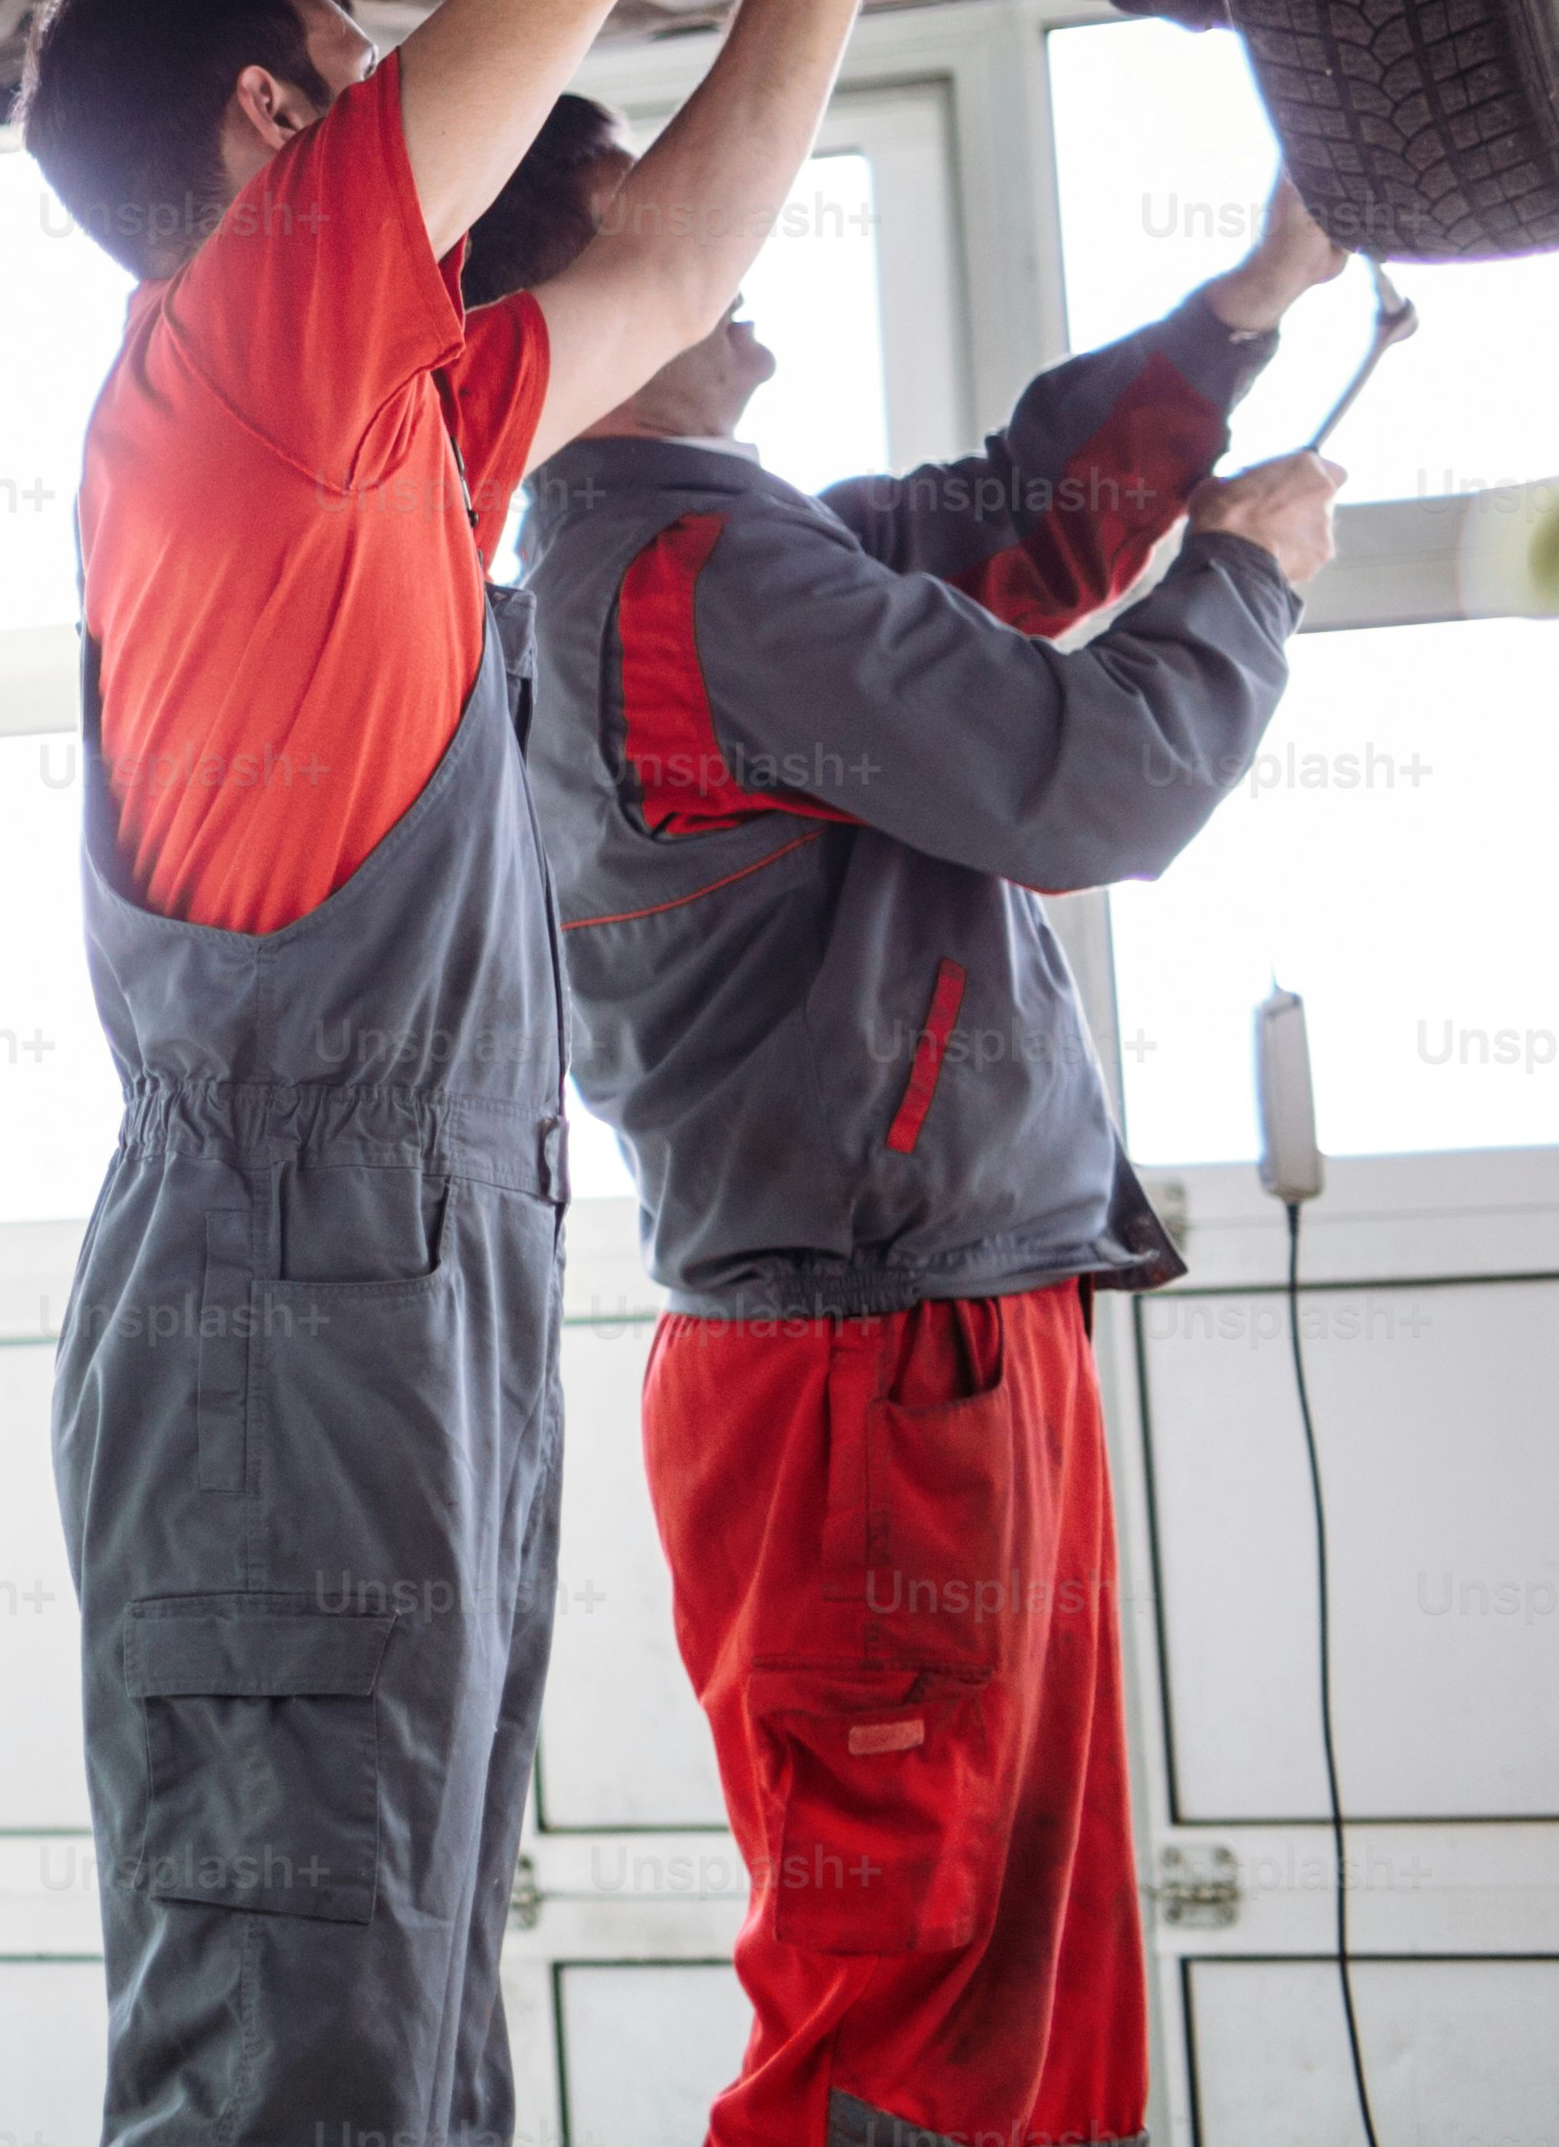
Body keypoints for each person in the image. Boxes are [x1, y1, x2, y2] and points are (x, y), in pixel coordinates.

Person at [14, 0, 962, 2147]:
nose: (391, 73)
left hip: (405, 1276)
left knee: (412, 1970)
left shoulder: (394, 417)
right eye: (346, 34)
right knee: (290, 2015)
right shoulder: (247, 344)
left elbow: (664, 274)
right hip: (283, 1289)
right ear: (272, 118)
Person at [473, 147, 1347, 2147]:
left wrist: (1242, 304)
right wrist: (1239, 580)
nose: (720, 208)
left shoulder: (690, 555)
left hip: (912, 1332)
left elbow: (997, 542)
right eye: (646, 190)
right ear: (585, 309)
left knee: (1020, 1967)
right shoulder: (693, 584)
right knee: (906, 1989)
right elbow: (1084, 777)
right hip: (865, 1371)